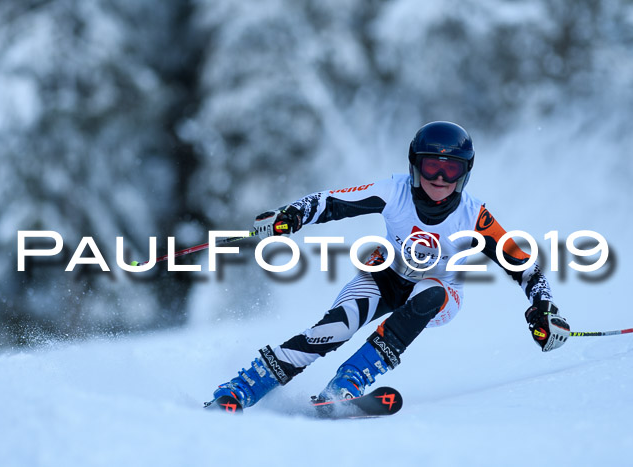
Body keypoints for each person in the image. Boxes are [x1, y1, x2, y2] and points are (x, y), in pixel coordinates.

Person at [208, 121, 570, 410]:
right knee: (334, 329)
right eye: (432, 165)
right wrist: (291, 217)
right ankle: (242, 388)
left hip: (440, 292)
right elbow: (331, 201)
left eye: (451, 169)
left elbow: (524, 266)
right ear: (415, 164)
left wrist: (543, 308)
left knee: (429, 295)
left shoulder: (473, 214)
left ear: (465, 173)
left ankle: (350, 380)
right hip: (385, 276)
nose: (440, 179)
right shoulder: (393, 191)